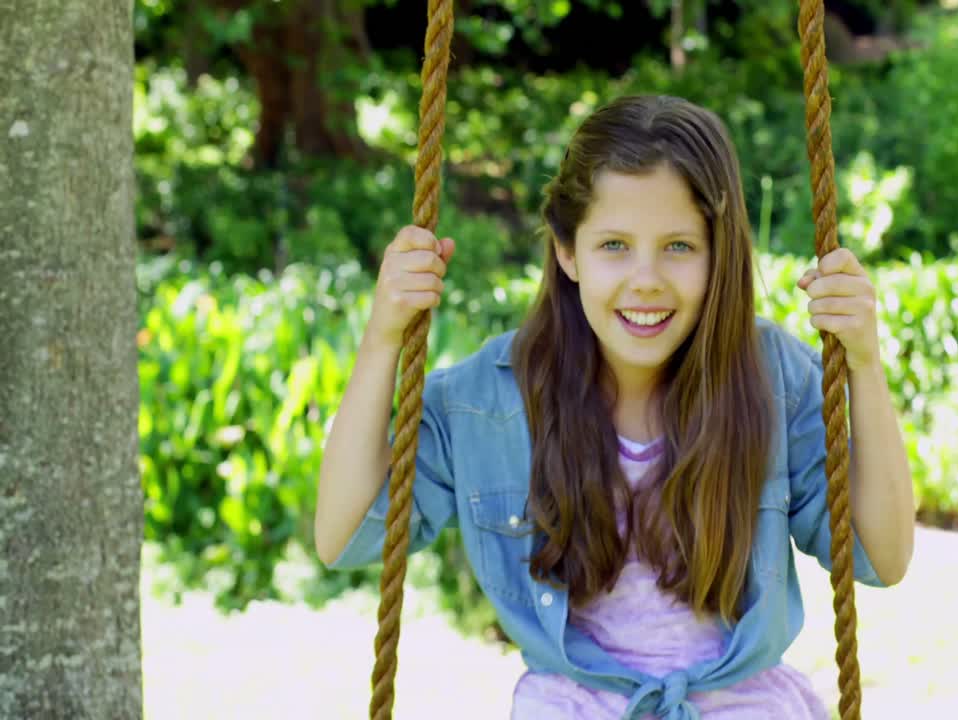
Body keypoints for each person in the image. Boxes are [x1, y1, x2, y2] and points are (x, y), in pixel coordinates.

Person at [315, 94, 915, 719]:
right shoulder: (487, 402)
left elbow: (882, 556)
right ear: (567, 251)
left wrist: (864, 364)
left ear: (719, 255)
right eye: (614, 246)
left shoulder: (772, 379)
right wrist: (385, 334)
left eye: (679, 246)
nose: (647, 279)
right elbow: (346, 535)